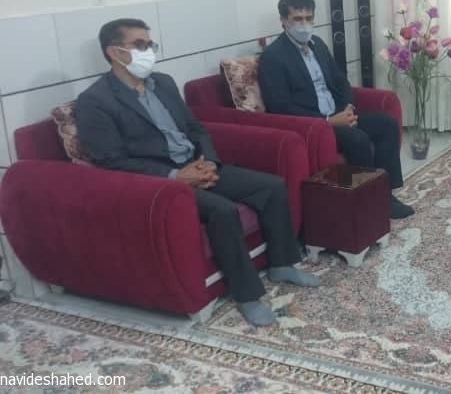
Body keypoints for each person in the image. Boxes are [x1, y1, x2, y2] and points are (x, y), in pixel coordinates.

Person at [76, 18, 320, 327]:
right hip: (162, 183)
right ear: (114, 52)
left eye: (150, 45)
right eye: (139, 45)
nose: (148, 52)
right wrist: (176, 176)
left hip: (198, 163)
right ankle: (247, 295)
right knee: (222, 210)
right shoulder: (95, 102)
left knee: (272, 187)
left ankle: (282, 264)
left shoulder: (163, 82)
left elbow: (195, 128)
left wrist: (209, 161)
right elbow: (113, 161)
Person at [258, 0, 414, 219]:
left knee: (387, 124)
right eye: (297, 19)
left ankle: (385, 195)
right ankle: (365, 204)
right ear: (283, 21)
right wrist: (328, 121)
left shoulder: (318, 44)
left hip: (339, 113)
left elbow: (340, 81)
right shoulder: (273, 57)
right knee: (358, 139)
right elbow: (280, 107)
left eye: (309, 18)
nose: (304, 25)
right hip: (314, 125)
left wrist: (348, 107)